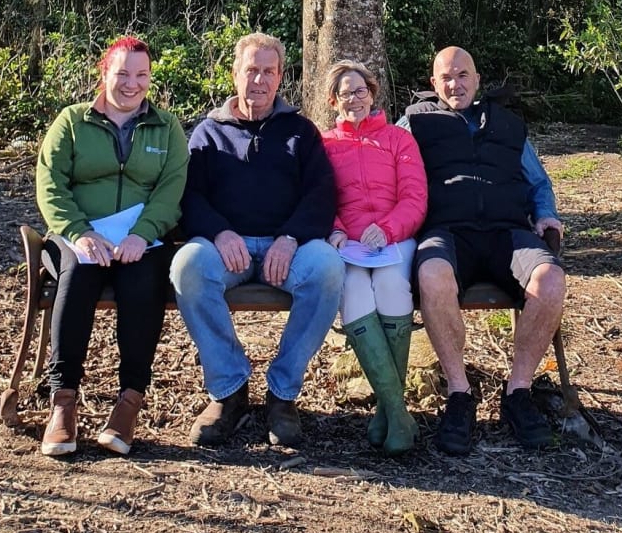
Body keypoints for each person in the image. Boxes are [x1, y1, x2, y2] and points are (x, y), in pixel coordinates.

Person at [169, 32, 344, 448]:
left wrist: (292, 238)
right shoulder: (208, 133)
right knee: (187, 268)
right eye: (252, 70)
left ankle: (282, 395)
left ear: (280, 76)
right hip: (228, 250)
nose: (260, 80)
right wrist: (218, 231)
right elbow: (188, 196)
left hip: (289, 248)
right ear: (235, 74)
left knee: (328, 269)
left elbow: (322, 194)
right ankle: (228, 389)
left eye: (269, 71)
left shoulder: (301, 131)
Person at [399, 46, 565, 455]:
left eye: (463, 75)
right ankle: (459, 394)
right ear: (433, 84)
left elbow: (538, 182)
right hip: (446, 232)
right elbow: (386, 166)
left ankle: (518, 393)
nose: (455, 84)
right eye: (446, 78)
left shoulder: (508, 125)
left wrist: (545, 215)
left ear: (476, 78)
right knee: (432, 276)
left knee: (551, 279)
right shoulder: (414, 123)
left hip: (507, 232)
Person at [35, 36, 188, 457]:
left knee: (144, 285)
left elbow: (171, 188)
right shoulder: (71, 121)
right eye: (122, 73)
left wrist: (143, 232)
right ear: (104, 73)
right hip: (80, 235)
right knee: (79, 274)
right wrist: (79, 230)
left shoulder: (167, 127)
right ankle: (63, 402)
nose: (131, 84)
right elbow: (51, 184)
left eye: (141, 75)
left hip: (141, 239)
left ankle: (128, 403)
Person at [320, 60, 428, 456]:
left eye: (360, 90)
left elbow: (415, 198)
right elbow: (318, 194)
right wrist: (333, 227)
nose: (354, 99)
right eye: (345, 93)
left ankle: (388, 409)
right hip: (347, 244)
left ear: (372, 94)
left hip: (393, 239)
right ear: (333, 101)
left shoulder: (399, 140)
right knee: (353, 289)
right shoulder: (325, 143)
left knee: (390, 285)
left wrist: (387, 228)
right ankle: (398, 414)